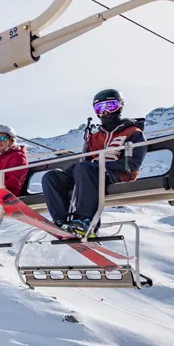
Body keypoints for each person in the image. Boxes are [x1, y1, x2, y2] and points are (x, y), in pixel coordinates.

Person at [43, 89, 146, 236]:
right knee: (51, 177)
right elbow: (84, 162)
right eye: (99, 108)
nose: (105, 112)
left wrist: (99, 165)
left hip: (118, 174)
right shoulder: (94, 137)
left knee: (85, 168)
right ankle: (62, 222)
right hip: (91, 174)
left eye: (110, 106)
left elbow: (133, 165)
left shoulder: (133, 132)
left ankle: (86, 222)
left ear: (120, 106)